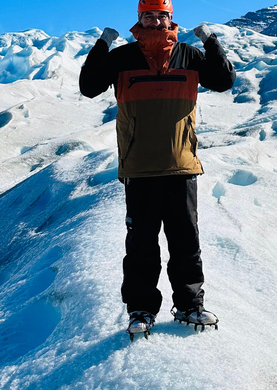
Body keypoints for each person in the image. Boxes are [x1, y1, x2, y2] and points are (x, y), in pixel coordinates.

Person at [79, 0, 236, 339]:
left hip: (181, 167)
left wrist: (211, 42)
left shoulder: (189, 55)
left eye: (160, 15)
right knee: (141, 246)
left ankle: (190, 304)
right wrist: (102, 45)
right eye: (148, 15)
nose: (154, 21)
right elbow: (89, 87)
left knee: (186, 242)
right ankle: (141, 310)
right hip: (139, 169)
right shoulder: (122, 58)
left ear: (170, 18)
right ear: (139, 19)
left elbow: (223, 81)